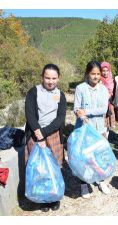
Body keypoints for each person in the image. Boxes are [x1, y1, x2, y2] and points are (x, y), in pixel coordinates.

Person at [25, 63, 66, 212]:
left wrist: (45, 132)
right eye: (47, 78)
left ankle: (54, 197)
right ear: (42, 77)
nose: (50, 81)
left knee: (54, 167)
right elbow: (29, 114)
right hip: (35, 134)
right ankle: (41, 198)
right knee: (39, 169)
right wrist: (38, 133)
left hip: (53, 134)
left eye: (54, 78)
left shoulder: (60, 94)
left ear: (58, 78)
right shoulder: (33, 92)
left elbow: (60, 117)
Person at [74, 60, 111, 198]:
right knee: (84, 158)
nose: (95, 76)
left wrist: (86, 111)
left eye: (98, 74)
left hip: (98, 128)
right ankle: (84, 184)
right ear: (87, 74)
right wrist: (79, 112)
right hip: (83, 129)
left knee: (99, 156)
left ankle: (101, 181)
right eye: (92, 74)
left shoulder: (103, 89)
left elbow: (103, 109)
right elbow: (76, 108)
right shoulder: (80, 88)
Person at [100, 61, 116, 137]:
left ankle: (106, 139)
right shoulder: (99, 80)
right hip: (101, 105)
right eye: (103, 71)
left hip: (109, 105)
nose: (105, 73)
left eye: (107, 71)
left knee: (107, 124)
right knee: (101, 123)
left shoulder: (112, 81)